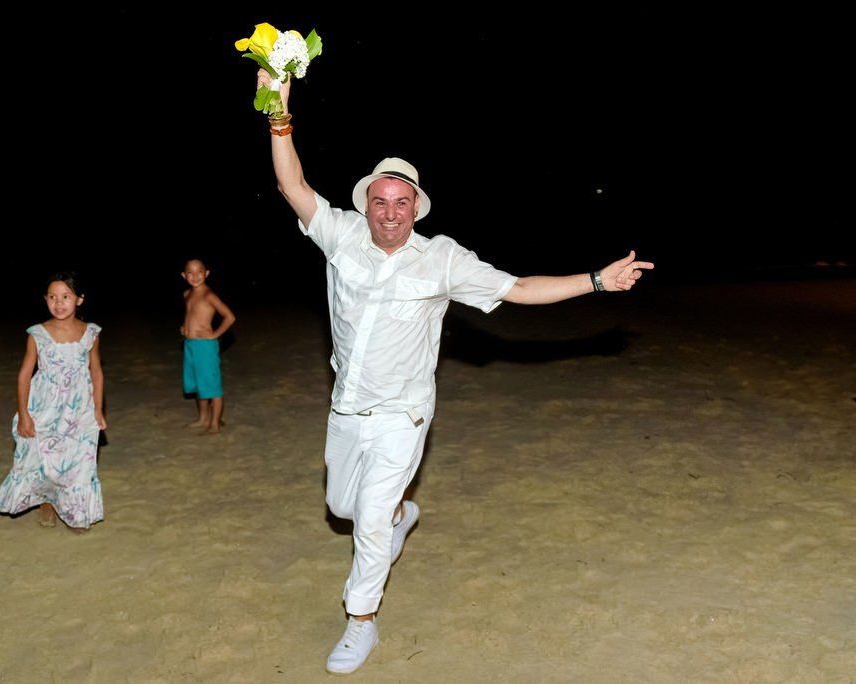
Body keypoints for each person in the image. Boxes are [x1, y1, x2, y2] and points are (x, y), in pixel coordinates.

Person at [255, 68, 654, 674]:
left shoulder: (443, 259)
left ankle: (360, 623)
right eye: (380, 201)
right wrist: (278, 114)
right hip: (345, 408)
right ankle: (397, 517)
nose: (390, 212)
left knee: (363, 525)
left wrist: (596, 280)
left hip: (402, 414)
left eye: (402, 202)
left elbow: (519, 288)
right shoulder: (339, 236)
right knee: (341, 506)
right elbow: (291, 183)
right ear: (366, 204)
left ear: (417, 207)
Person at [0, 272, 106, 533]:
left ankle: (76, 512)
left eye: (66, 297)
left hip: (79, 405)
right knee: (43, 455)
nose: (59, 303)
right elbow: (24, 375)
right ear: (45, 300)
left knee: (78, 458)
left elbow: (97, 371)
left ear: (79, 300)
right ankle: (46, 501)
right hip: (45, 404)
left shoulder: (90, 333)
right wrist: (24, 414)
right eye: (53, 297)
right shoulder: (38, 334)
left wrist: (98, 408)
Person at [180, 257, 236, 434]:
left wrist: (214, 334)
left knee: (212, 386)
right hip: (190, 345)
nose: (195, 276)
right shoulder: (187, 294)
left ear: (207, 273)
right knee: (197, 384)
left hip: (205, 347)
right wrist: (185, 327)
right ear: (184, 275)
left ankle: (215, 423)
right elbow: (192, 315)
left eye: (199, 272)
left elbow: (230, 317)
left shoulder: (209, 295)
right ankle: (203, 418)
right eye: (190, 272)